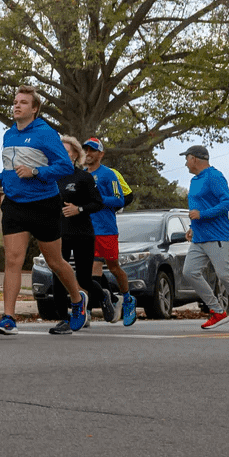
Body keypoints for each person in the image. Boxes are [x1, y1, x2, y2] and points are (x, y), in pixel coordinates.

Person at [0, 86, 89, 335]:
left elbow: (65, 166)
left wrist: (36, 172)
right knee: (12, 260)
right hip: (14, 204)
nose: (16, 105)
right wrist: (0, 179)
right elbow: (11, 167)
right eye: (15, 102)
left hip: (43, 204)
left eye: (23, 102)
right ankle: (8, 318)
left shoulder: (46, 133)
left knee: (55, 261)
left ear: (34, 109)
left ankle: (77, 300)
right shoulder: (9, 134)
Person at [180, 145, 229, 332]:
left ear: (195, 159)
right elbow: (197, 207)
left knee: (225, 276)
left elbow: (228, 202)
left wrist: (202, 215)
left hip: (218, 236)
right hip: (199, 237)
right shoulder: (194, 180)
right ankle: (217, 311)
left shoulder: (214, 176)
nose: (185, 163)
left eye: (187, 158)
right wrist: (192, 227)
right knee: (189, 272)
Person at [48, 136, 108, 335]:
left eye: (66, 151)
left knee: (84, 279)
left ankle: (105, 296)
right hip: (59, 234)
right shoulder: (51, 177)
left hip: (83, 234)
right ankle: (64, 320)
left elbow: (98, 203)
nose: (62, 154)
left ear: (75, 155)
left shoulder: (84, 177)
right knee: (58, 276)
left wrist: (79, 209)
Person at [83, 138, 136, 326]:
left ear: (101, 154)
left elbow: (119, 200)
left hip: (107, 230)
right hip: (88, 230)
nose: (88, 153)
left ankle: (127, 299)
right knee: (91, 272)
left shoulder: (108, 174)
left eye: (92, 150)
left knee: (114, 268)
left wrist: (98, 199)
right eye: (86, 150)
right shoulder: (82, 175)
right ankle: (87, 311)